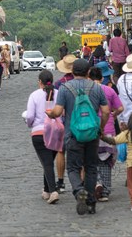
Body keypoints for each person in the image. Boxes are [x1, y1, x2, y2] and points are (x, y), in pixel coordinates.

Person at [47, 59, 109, 216]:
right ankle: (90, 202)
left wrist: (51, 114)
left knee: (73, 168)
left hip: (73, 134)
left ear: (72, 72)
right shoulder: (97, 87)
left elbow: (58, 111)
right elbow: (106, 111)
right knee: (91, 167)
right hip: (92, 135)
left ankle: (79, 190)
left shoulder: (64, 88)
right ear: (88, 72)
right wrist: (100, 127)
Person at [25, 70, 60, 204]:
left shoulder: (34, 95)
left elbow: (29, 116)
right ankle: (46, 190)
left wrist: (30, 125)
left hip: (39, 132)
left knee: (46, 162)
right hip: (56, 132)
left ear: (40, 82)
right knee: (48, 161)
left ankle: (53, 190)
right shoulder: (59, 94)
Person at [89, 66, 123, 202]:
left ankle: (96, 182)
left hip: (91, 130)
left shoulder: (87, 91)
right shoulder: (109, 90)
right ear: (102, 78)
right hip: (108, 130)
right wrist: (114, 115)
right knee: (107, 161)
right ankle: (105, 191)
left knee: (93, 160)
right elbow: (120, 108)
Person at [53, 54, 77, 192]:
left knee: (61, 151)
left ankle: (61, 182)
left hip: (63, 121)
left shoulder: (58, 84)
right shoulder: (84, 81)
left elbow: (58, 106)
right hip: (81, 121)